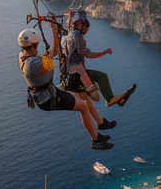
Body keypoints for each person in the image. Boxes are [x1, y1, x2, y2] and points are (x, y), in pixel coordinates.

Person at [19, 21, 116, 150]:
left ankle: (100, 124)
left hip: (50, 92)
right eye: (36, 45)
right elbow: (53, 53)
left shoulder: (21, 56)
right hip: (49, 99)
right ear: (34, 45)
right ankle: (95, 140)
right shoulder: (34, 64)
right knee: (83, 106)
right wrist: (54, 32)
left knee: (83, 95)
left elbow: (48, 54)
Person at [60, 9, 136, 108]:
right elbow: (89, 54)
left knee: (100, 78)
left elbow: (69, 25)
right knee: (101, 79)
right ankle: (110, 100)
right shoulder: (78, 36)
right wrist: (104, 52)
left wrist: (70, 16)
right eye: (85, 29)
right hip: (76, 71)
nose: (86, 31)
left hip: (70, 69)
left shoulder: (71, 33)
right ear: (81, 27)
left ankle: (118, 101)